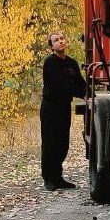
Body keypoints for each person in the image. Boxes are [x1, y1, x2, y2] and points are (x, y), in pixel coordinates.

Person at [40, 30, 86, 191]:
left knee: (62, 143)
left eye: (62, 38)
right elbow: (62, 84)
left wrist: (88, 95)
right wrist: (77, 91)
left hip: (64, 107)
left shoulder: (72, 63)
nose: (60, 41)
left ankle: (58, 178)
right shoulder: (50, 63)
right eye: (56, 40)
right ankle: (48, 178)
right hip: (50, 107)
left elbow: (80, 83)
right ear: (52, 47)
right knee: (50, 143)